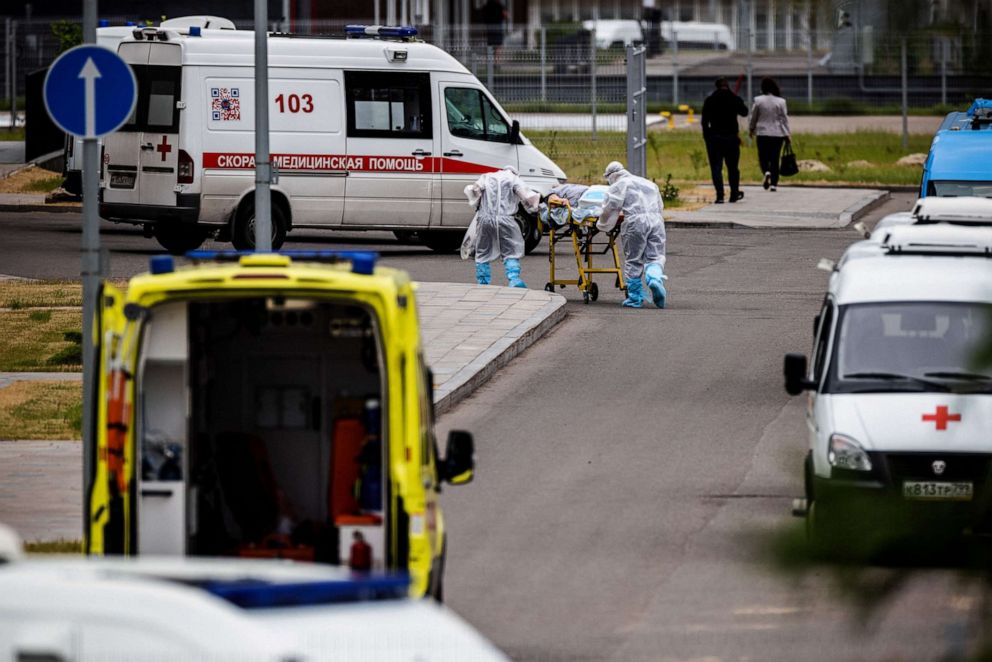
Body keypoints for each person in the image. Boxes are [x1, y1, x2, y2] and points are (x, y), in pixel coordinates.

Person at [596, 162, 667, 309]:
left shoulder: (619, 185)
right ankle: (654, 278)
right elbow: (660, 206)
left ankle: (635, 298)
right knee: (655, 256)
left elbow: (610, 208)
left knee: (633, 259)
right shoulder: (647, 182)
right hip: (656, 221)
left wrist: (602, 224)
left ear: (611, 175)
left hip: (635, 222)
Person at [464, 165, 540, 288]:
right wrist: (534, 207)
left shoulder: (487, 177)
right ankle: (514, 279)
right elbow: (528, 197)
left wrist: (479, 205)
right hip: (506, 219)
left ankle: (483, 283)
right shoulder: (514, 179)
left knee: (483, 250)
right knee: (511, 249)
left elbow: (474, 190)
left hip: (485, 219)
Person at [701, 77, 748, 203]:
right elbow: (745, 112)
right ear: (728, 86)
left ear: (716, 86)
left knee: (716, 167)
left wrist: (707, 137)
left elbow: (704, 121)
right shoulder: (733, 98)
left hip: (715, 138)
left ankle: (720, 195)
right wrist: (735, 98)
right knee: (733, 167)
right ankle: (734, 194)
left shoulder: (710, 100)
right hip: (731, 138)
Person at [749, 77, 792, 192]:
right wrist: (787, 134)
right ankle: (774, 184)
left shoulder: (758, 100)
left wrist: (751, 129)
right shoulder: (781, 101)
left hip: (762, 133)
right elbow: (784, 119)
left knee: (763, 156)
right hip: (777, 134)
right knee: (775, 158)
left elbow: (754, 117)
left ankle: (766, 172)